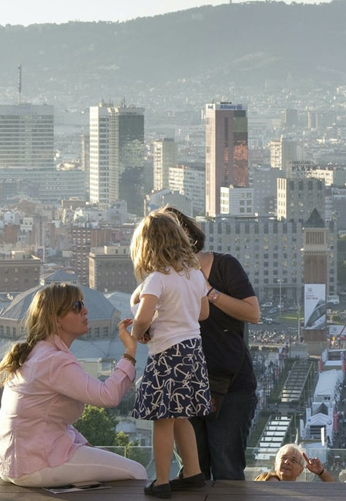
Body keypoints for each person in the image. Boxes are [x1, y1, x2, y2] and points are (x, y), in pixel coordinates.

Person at [0, 283, 146, 487]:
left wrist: (87, 446)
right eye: (77, 306)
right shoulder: (54, 360)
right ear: (56, 318)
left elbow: (47, 420)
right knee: (137, 472)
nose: (85, 310)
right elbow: (108, 395)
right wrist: (130, 353)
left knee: (105, 472)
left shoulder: (38, 353)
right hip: (35, 464)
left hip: (14, 462)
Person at [164, 207, 259, 481]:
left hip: (230, 386)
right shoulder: (165, 277)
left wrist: (209, 291)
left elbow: (252, 313)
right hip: (185, 385)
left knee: (227, 468)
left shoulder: (224, 266)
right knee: (193, 472)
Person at [129, 210, 211, 498]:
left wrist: (137, 334)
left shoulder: (157, 278)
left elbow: (142, 317)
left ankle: (161, 481)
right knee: (182, 417)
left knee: (162, 420)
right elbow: (203, 312)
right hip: (193, 352)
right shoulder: (194, 275)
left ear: (146, 247)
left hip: (167, 354)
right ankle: (193, 472)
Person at [254, 444, 335, 482]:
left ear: (300, 470)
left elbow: (336, 492)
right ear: (275, 464)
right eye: (284, 458)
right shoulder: (265, 480)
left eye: (293, 460)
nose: (287, 462)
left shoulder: (305, 493)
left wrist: (321, 472)